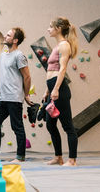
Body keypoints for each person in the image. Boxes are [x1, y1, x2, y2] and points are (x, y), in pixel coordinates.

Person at [0, 27, 32, 162]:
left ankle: (20, 156)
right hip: (3, 97)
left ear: (15, 40)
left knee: (16, 127)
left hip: (14, 98)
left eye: (8, 35)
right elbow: (1, 76)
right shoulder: (4, 55)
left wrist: (26, 95)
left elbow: (27, 77)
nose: (5, 36)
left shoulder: (19, 56)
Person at [43, 17, 78, 166]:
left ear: (58, 28)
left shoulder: (64, 45)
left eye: (51, 27)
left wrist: (56, 89)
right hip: (52, 88)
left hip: (60, 90)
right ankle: (58, 157)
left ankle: (72, 160)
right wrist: (47, 90)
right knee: (50, 124)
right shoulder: (58, 45)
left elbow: (62, 69)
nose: (48, 29)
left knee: (67, 126)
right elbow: (52, 69)